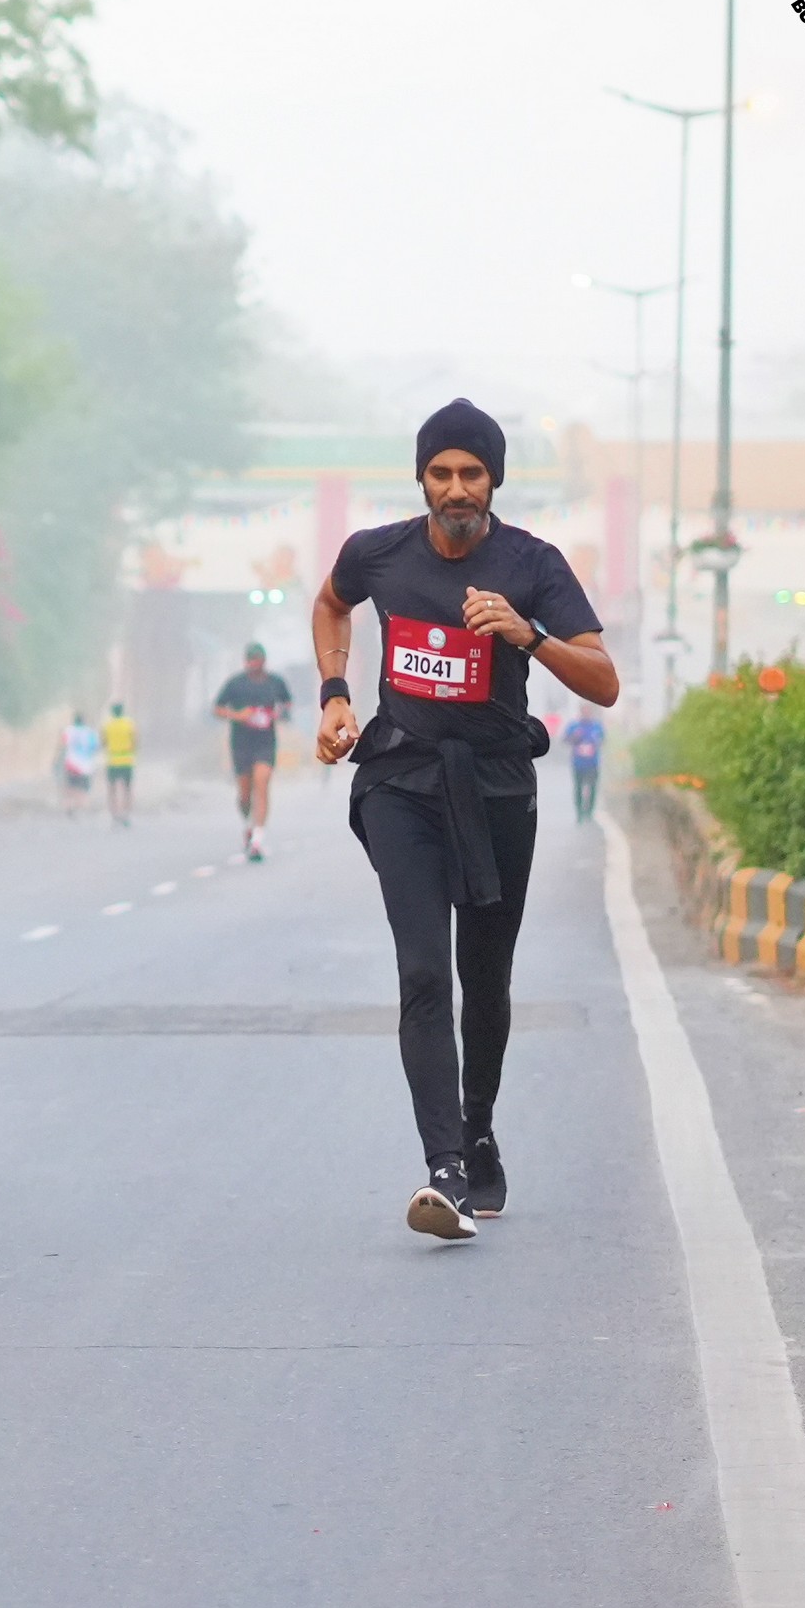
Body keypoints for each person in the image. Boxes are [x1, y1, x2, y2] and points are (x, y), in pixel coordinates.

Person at [312, 400, 617, 1241]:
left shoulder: (532, 564)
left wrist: (528, 634)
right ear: (420, 478)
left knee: (484, 979)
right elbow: (330, 604)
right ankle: (442, 1167)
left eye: (471, 474)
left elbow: (602, 681)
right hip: (400, 782)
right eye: (440, 472)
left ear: (493, 481)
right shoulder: (376, 553)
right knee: (422, 972)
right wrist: (334, 694)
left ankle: (477, 1128)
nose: (455, 488)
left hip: (494, 791)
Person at [212, 643, 293, 861]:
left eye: (258, 659)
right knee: (245, 794)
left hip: (265, 742)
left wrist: (279, 714)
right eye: (251, 660)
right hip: (241, 743)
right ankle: (248, 824)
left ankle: (257, 840)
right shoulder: (235, 684)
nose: (254, 664)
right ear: (246, 661)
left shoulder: (275, 682)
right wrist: (238, 716)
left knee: (262, 782)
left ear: (264, 661)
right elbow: (217, 708)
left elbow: (287, 704)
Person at [564, 703, 607, 824]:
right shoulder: (574, 726)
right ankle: (579, 812)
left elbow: (603, 740)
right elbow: (565, 739)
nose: (586, 713)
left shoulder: (596, 726)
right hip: (578, 763)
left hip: (592, 763)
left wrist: (596, 743)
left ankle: (589, 812)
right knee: (578, 787)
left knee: (592, 787)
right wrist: (575, 737)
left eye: (588, 711)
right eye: (584, 711)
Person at [101, 701, 139, 826]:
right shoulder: (129, 724)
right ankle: (126, 813)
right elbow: (135, 742)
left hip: (112, 761)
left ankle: (114, 813)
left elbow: (103, 742)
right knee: (127, 789)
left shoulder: (108, 725)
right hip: (127, 761)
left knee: (112, 790)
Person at [58, 711, 101, 817]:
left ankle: (70, 805)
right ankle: (81, 806)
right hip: (86, 766)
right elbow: (95, 747)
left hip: (71, 764)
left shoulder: (69, 731)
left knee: (70, 787)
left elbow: (63, 744)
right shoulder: (90, 732)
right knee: (83, 788)